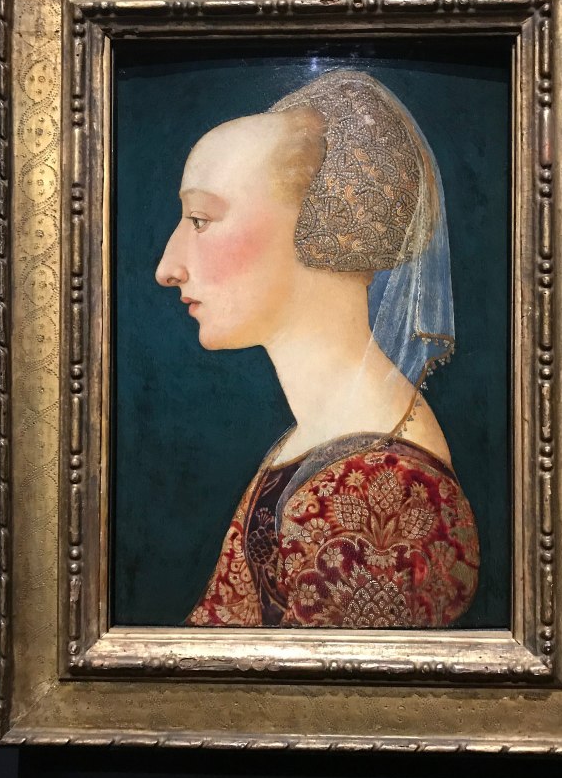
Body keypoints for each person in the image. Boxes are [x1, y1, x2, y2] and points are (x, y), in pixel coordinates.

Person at [155, 69, 479, 628]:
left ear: (322, 224)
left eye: (201, 220)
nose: (168, 268)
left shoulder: (385, 488)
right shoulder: (313, 443)